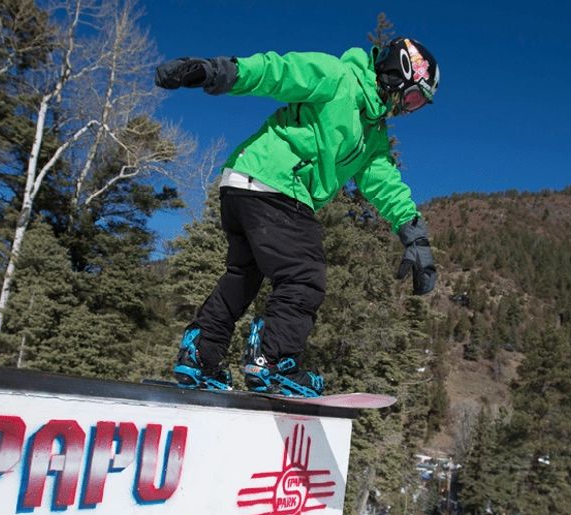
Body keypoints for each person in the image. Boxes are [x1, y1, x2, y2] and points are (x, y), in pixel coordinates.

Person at [155, 37, 441, 396]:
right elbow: (278, 72)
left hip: (243, 186)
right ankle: (273, 359)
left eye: (417, 106)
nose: (408, 109)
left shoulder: (373, 134)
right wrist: (216, 71)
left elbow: (384, 183)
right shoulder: (338, 77)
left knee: (243, 277)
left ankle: (201, 355)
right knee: (304, 274)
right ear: (398, 73)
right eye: (413, 98)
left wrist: (414, 233)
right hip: (275, 183)